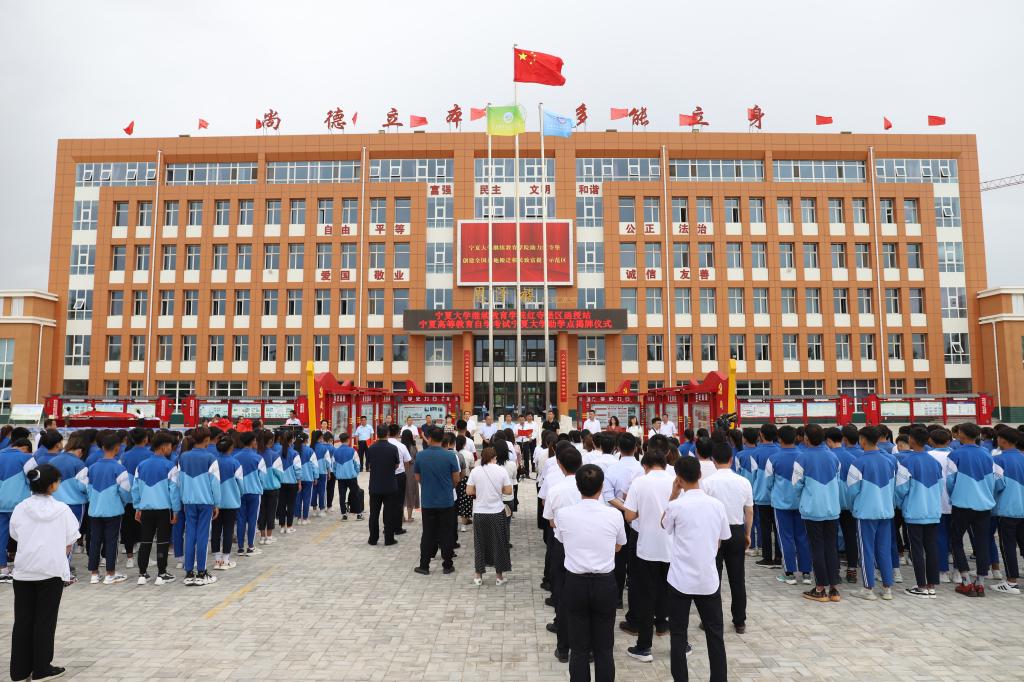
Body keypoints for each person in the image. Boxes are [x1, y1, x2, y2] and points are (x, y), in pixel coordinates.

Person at [662, 455, 731, 682]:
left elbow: (664, 525)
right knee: (715, 634)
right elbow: (722, 537)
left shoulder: (676, 506)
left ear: (678, 479)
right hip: (707, 578)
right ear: (700, 475)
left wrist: (673, 495)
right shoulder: (717, 505)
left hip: (680, 579)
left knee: (678, 634)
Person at [554, 464, 625, 682]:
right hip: (605, 583)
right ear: (602, 487)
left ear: (578, 486)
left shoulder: (564, 514)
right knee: (604, 648)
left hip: (575, 583)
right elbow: (619, 545)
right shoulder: (614, 515)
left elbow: (561, 540)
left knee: (578, 648)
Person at [9, 464, 80, 682]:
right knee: (45, 621)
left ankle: (19, 671)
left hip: (24, 570)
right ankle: (41, 668)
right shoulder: (62, 509)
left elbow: (15, 534)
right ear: (52, 485)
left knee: (23, 621)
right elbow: (71, 539)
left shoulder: (20, 507)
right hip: (51, 570)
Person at [622, 438, 674, 663]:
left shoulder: (640, 483)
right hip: (672, 546)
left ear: (645, 465)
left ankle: (644, 646)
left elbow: (629, 515)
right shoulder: (675, 480)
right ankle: (679, 643)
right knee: (673, 595)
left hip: (646, 547)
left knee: (646, 596)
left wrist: (644, 510)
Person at [702, 442, 754, 630]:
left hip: (715, 533)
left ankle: (712, 620)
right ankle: (739, 621)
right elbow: (749, 511)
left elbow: (704, 510)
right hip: (736, 530)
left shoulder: (707, 483)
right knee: (737, 578)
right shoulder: (743, 482)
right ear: (731, 460)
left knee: (713, 577)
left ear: (713, 460)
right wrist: (747, 534)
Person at [945, 422, 997, 596]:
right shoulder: (987, 454)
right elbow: (992, 480)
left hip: (962, 504)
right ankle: (980, 583)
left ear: (962, 434)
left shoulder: (955, 454)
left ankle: (966, 581)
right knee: (982, 542)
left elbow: (950, 481)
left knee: (956, 541)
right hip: (984, 504)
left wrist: (954, 495)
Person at [791, 424, 842, 603]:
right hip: (832, 509)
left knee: (817, 548)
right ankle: (834, 589)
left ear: (806, 439)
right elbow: (838, 480)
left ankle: (820, 589)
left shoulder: (802, 457)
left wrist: (803, 499)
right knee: (831, 547)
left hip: (812, 510)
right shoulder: (833, 457)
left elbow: (796, 485)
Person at [543, 445, 583, 663]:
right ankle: (586, 647)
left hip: (562, 543)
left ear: (559, 464)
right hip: (585, 544)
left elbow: (550, 521)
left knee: (562, 590)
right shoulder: (589, 486)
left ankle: (563, 644)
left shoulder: (556, 489)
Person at [847, 426, 896, 600]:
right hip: (886, 511)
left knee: (866, 550)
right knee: (884, 550)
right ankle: (887, 588)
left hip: (866, 513)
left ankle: (868, 589)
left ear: (862, 440)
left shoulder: (858, 462)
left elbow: (852, 491)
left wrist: (852, 507)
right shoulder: (889, 461)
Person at [895, 426, 943, 598]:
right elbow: (940, 488)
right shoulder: (935, 462)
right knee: (931, 548)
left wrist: (900, 505)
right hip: (933, 511)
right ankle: (931, 586)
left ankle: (921, 586)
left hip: (915, 512)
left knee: (916, 550)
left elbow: (901, 489)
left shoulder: (907, 462)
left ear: (911, 440)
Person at [765, 426, 812, 585]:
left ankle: (789, 573)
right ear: (796, 438)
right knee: (803, 537)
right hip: (801, 504)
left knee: (785, 538)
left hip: (781, 504)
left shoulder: (773, 458)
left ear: (779, 438)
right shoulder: (804, 456)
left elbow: (768, 483)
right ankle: (806, 573)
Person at [131, 432, 180, 585]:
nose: (171, 449)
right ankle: (161, 574)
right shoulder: (170, 466)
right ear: (164, 447)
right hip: (164, 510)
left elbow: (135, 489)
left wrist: (137, 507)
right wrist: (176, 510)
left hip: (145, 509)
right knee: (163, 542)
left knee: (145, 541)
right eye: (170, 446)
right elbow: (174, 491)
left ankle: (142, 574)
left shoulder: (141, 465)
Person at [86, 431, 132, 585]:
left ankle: (94, 574)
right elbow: (125, 492)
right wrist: (123, 503)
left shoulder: (92, 468)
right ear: (117, 448)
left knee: (95, 541)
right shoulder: (119, 468)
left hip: (95, 509)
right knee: (111, 541)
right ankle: (110, 574)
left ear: (102, 447)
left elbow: (88, 489)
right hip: (113, 510)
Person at [413, 426, 461, 575]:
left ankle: (424, 565)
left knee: (428, 533)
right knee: (446, 533)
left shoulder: (421, 455)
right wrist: (447, 487)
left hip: (428, 501)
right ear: (442, 439)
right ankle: (447, 565)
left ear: (430, 439)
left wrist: (427, 485)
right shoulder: (450, 456)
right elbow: (456, 479)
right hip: (446, 501)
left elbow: (417, 477)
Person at [177, 427, 222, 586]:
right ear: (207, 440)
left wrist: (183, 498)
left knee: (189, 534)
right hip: (206, 502)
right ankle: (202, 572)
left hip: (188, 501)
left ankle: (189, 572)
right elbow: (215, 483)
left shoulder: (183, 457)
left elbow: (179, 481)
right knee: (203, 536)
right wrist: (217, 503)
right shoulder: (210, 458)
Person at [466, 447, 512, 586]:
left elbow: (469, 491)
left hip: (480, 512)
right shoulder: (501, 470)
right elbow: (509, 491)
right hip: (497, 511)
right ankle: (499, 577)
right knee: (499, 543)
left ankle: (478, 576)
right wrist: (498, 490)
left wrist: (479, 491)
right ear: (494, 457)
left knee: (480, 544)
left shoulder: (475, 471)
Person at [0, 436, 36, 584]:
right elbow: (34, 479)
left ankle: (2, 568)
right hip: (20, 504)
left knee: (1, 537)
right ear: (25, 448)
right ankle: (21, 568)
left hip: (0, 504)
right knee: (24, 537)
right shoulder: (26, 458)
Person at [993, 427, 1024, 594]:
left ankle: (1011, 582)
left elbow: (996, 485)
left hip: (1007, 508)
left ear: (1002, 440)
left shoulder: (998, 460)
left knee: (1008, 546)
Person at [829, 426, 859, 584]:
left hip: (832, 504)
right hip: (850, 504)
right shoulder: (852, 458)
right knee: (850, 536)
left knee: (831, 537)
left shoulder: (829, 457)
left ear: (828, 441)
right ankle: (852, 570)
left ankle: (835, 571)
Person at [366, 424, 400, 546]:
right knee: (389, 514)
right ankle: (389, 539)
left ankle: (373, 539)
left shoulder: (371, 448)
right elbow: (396, 465)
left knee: (374, 514)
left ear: (377, 433)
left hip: (375, 485)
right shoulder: (393, 448)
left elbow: (368, 464)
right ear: (387, 433)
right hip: (390, 485)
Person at [211, 436, 242, 571]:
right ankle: (226, 560)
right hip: (231, 501)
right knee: (228, 529)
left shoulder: (213, 462)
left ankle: (217, 559)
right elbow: (241, 484)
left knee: (215, 530)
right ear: (231, 447)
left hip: (214, 503)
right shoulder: (235, 463)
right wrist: (238, 494)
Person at [233, 431, 265, 557]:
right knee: (252, 519)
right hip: (254, 492)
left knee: (240, 519)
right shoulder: (258, 458)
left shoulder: (235, 457)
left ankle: (240, 548)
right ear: (252, 442)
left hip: (239, 493)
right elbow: (262, 477)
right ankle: (251, 547)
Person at [256, 429, 283, 545]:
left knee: (261, 512)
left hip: (259, 489)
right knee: (271, 512)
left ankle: (262, 536)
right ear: (271, 441)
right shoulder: (275, 455)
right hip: (272, 488)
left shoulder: (256, 454)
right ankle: (269, 536)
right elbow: (280, 473)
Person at [332, 433, 363, 520]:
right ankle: (359, 514)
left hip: (341, 478)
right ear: (348, 440)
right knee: (355, 494)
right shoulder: (352, 451)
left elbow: (333, 466)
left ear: (340, 440)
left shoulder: (336, 452)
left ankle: (344, 515)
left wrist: (337, 474)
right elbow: (357, 464)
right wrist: (355, 473)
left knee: (342, 496)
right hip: (351, 477)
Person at [387, 424, 412, 534]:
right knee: (399, 502)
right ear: (398, 433)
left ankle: (387, 527)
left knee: (387, 502)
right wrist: (405, 473)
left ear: (388, 432)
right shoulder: (402, 446)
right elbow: (407, 462)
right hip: (399, 476)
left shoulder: (384, 444)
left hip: (386, 476)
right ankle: (397, 528)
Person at [312, 430, 332, 517]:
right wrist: (329, 472)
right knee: (322, 491)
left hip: (312, 473)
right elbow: (328, 461)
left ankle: (314, 509)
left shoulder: (311, 447)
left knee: (314, 490)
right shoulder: (324, 448)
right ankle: (322, 509)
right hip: (322, 472)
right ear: (321, 437)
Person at [402, 430, 420, 523]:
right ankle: (409, 516)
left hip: (402, 470)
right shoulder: (413, 447)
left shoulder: (401, 447)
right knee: (411, 493)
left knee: (402, 493)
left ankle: (402, 516)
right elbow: (417, 459)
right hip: (412, 471)